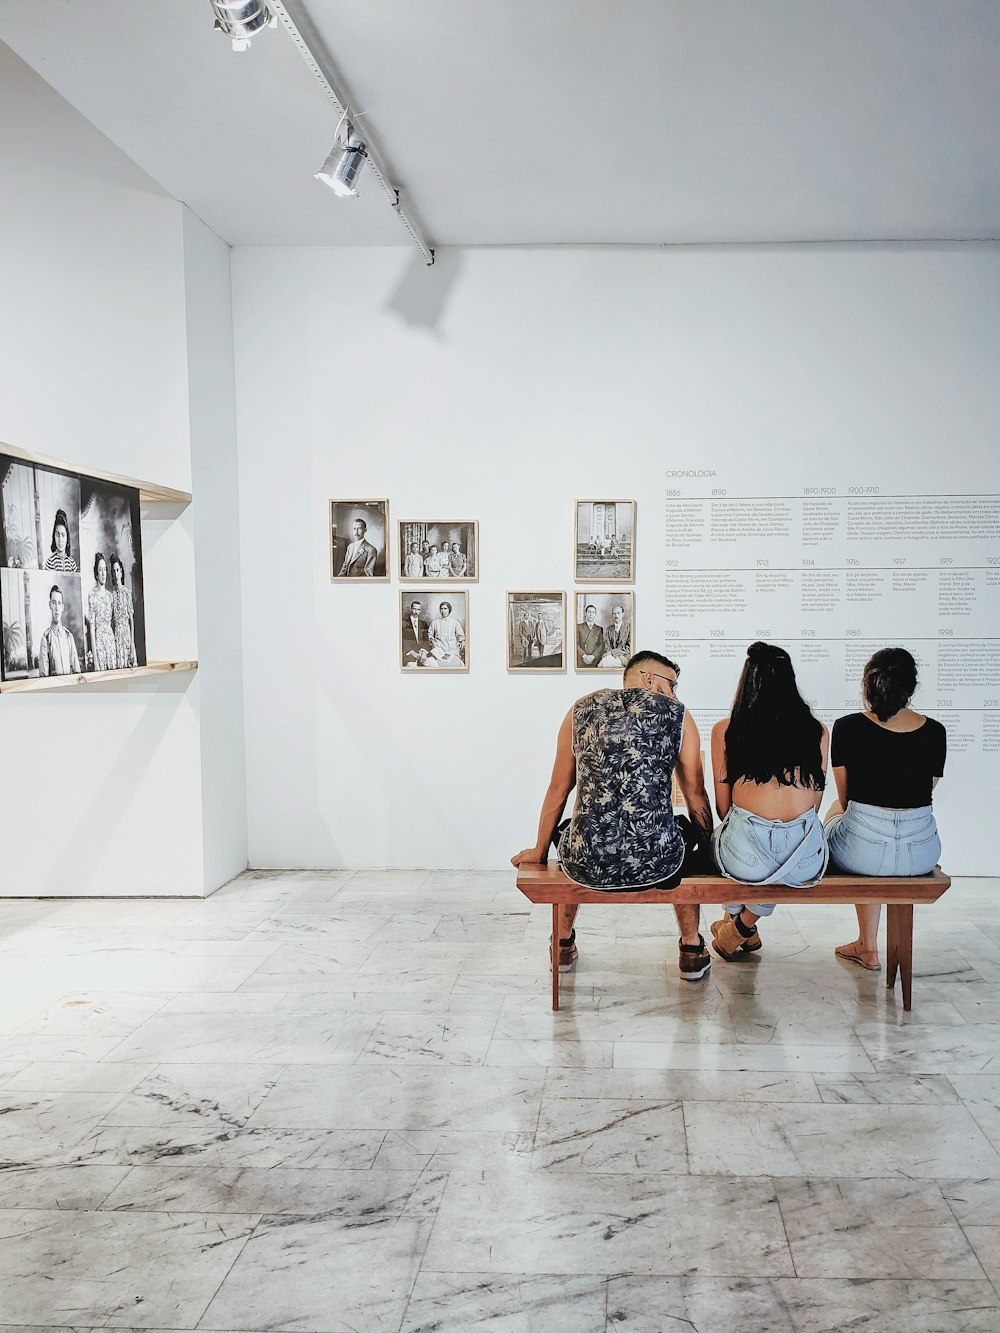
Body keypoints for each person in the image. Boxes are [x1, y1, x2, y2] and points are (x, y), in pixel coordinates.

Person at [512, 650, 715, 981]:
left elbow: (557, 789)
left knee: (574, 832)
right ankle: (691, 950)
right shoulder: (679, 716)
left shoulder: (579, 710)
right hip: (657, 862)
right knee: (680, 838)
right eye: (672, 685)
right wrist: (707, 850)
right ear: (649, 678)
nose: (675, 695)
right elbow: (695, 795)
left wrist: (538, 850)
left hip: (589, 862)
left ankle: (562, 946)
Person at [828, 647, 946, 971]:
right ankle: (867, 946)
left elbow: (846, 798)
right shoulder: (936, 731)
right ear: (911, 686)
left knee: (836, 814)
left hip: (862, 852)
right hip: (920, 852)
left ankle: (868, 945)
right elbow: (926, 789)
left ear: (868, 684)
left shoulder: (847, 727)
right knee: (871, 824)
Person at [709, 642, 829, 960]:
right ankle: (740, 927)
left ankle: (739, 924)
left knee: (724, 838)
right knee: (778, 856)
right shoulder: (817, 731)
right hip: (804, 862)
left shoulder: (725, 731)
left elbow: (724, 810)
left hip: (744, 857)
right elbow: (814, 807)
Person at [38, 584, 81, 676]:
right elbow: (43, 677)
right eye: (54, 603)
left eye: (59, 603)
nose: (57, 608)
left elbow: (77, 671)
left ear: (62, 607)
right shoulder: (46, 639)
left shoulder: (68, 636)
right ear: (50, 605)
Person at [86, 552, 116, 671]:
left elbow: (112, 623)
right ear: (96, 574)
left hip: (110, 642)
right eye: (100, 570)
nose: (103, 573)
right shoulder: (92, 596)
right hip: (99, 644)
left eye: (104, 569)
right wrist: (96, 661)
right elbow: (92, 631)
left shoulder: (110, 596)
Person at [109, 555, 137, 669]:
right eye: (114, 571)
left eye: (118, 570)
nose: (116, 574)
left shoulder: (127, 593)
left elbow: (131, 621)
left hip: (127, 636)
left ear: (121, 572)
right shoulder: (111, 594)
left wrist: (131, 645)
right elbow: (112, 622)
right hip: (116, 637)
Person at [428, 600, 465, 664]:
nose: (443, 611)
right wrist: (432, 640)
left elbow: (461, 636)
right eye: (441, 609)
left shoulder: (455, 622)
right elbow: (430, 634)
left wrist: (462, 641)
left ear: (449, 610)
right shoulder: (435, 622)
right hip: (439, 652)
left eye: (445, 608)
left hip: (452, 651)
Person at [599, 603, 631, 667]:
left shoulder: (629, 627)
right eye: (614, 613)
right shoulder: (609, 629)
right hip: (611, 656)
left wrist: (613, 653)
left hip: (624, 656)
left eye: (618, 613)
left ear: (622, 614)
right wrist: (610, 653)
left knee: (606, 663)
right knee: (603, 663)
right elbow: (607, 646)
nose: (616, 615)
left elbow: (629, 648)